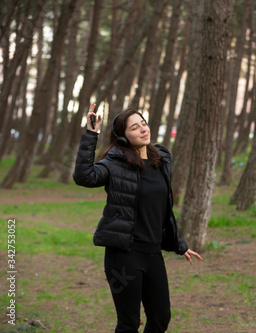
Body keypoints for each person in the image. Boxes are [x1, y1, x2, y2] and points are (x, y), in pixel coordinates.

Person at [73, 104, 202, 332]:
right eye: (134, 127)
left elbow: (163, 209)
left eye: (143, 123)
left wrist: (179, 244)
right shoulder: (114, 163)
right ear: (123, 137)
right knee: (128, 323)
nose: (143, 129)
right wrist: (91, 134)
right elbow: (84, 177)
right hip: (124, 256)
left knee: (161, 319)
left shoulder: (161, 159)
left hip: (153, 254)